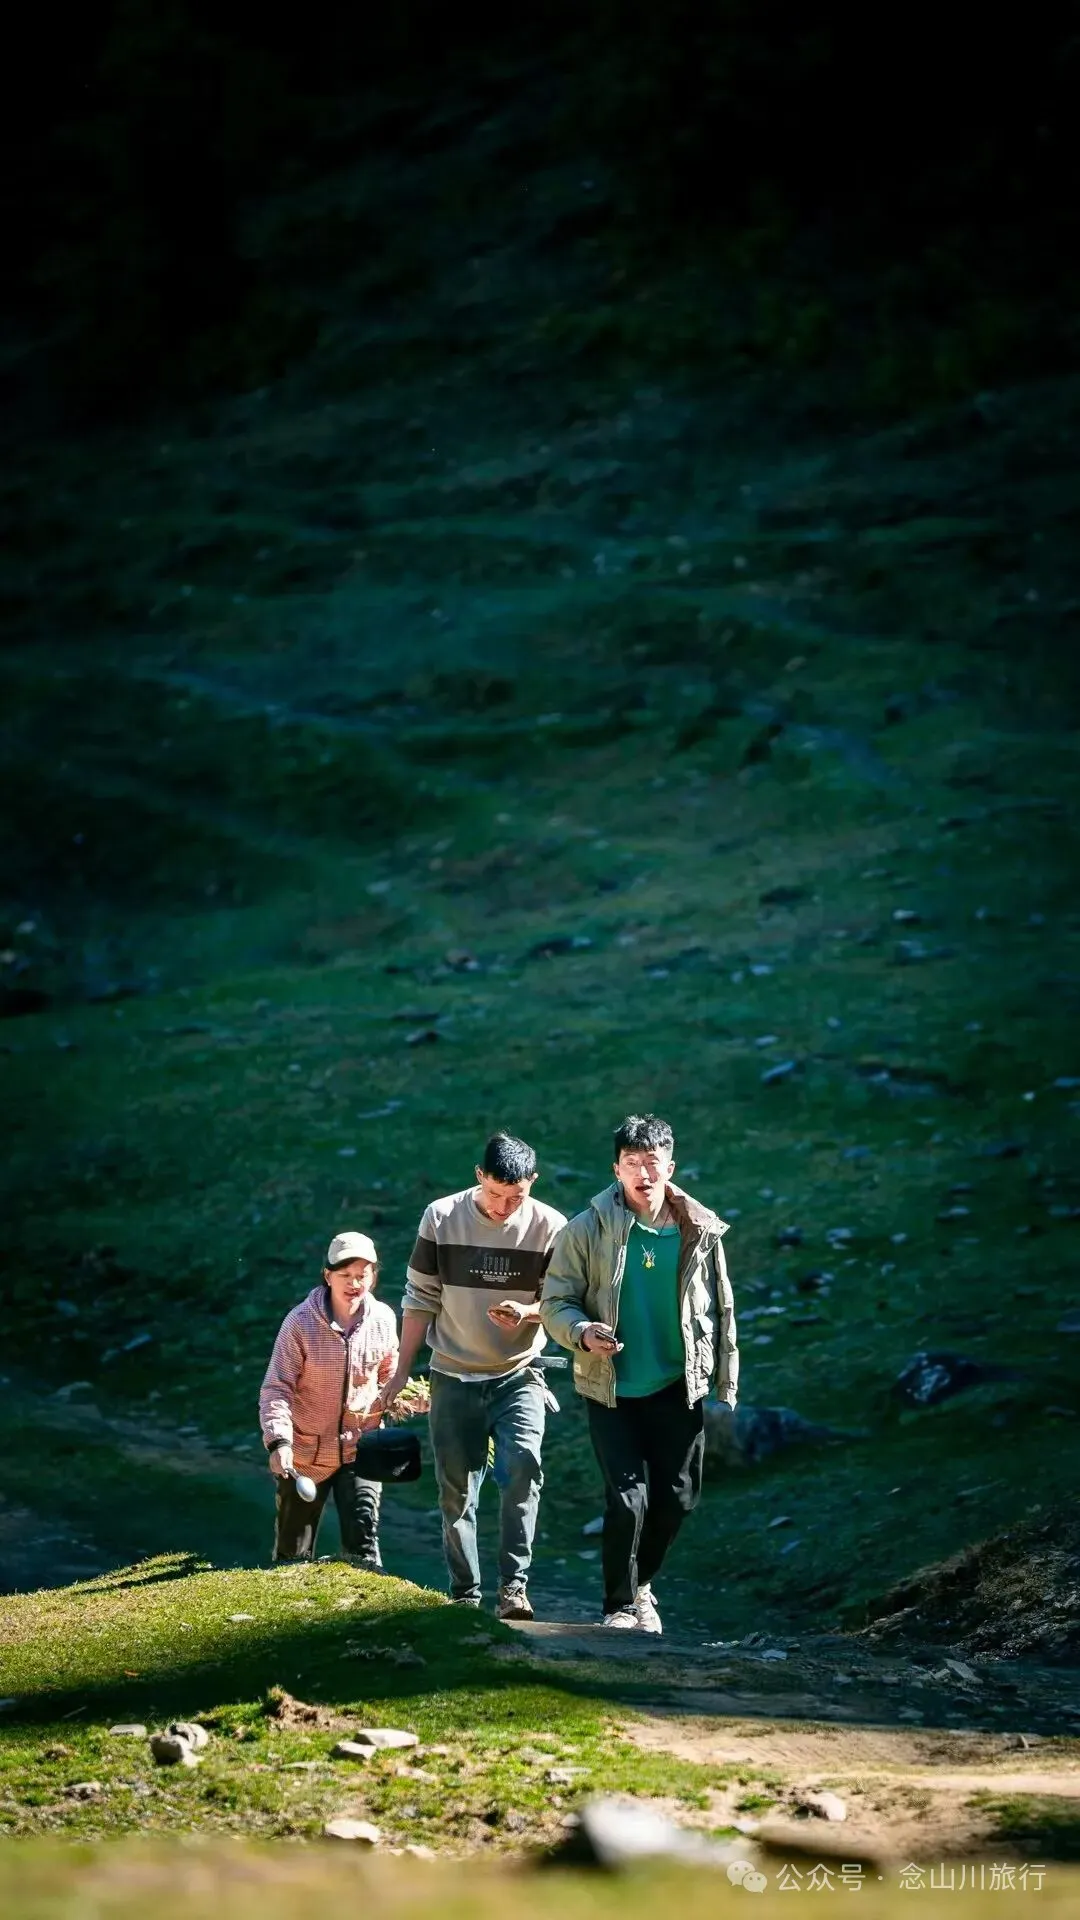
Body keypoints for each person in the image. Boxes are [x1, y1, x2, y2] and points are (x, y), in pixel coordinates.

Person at [540, 1113, 737, 1634]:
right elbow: (555, 1300)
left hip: (677, 1385)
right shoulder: (586, 1229)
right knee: (628, 1500)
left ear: (670, 1166)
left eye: (652, 1163)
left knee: (679, 1498)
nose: (643, 1174)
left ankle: (641, 1583)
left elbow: (721, 1307)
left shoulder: (701, 1228)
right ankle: (620, 1608)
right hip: (612, 1388)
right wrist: (582, 1332)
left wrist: (723, 1375)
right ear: (616, 1168)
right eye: (632, 1164)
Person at [378, 1131, 566, 1619]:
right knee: (456, 1489)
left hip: (519, 1373)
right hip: (453, 1373)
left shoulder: (551, 1226)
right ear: (479, 1176)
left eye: (516, 1197)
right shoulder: (441, 1218)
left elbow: (564, 1303)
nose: (504, 1207)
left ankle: (514, 1589)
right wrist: (401, 1373)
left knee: (524, 1466)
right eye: (495, 1194)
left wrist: (528, 1313)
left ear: (533, 1184)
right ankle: (465, 1594)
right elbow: (420, 1299)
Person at [259, 1230, 398, 1567]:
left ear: (373, 1276)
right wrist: (280, 1443)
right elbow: (277, 1388)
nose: (354, 1283)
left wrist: (406, 1397)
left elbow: (389, 1378)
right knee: (293, 1556)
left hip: (361, 1449)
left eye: (362, 1275)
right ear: (327, 1276)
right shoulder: (299, 1323)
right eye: (345, 1275)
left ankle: (369, 1613)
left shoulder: (383, 1319)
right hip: (304, 1455)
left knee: (364, 1549)